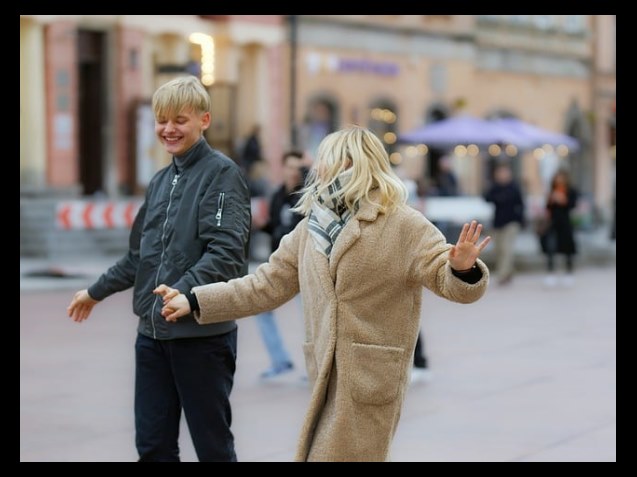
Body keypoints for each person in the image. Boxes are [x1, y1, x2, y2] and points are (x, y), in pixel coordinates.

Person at [155, 126, 490, 462]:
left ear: (348, 162)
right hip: (324, 376)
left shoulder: (403, 224)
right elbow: (264, 285)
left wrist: (461, 268)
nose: (315, 167)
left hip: (370, 380)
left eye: (324, 158)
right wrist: (196, 299)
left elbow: (448, 281)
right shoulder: (311, 227)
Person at [66, 75, 252, 462]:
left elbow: (227, 253)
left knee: (212, 447)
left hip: (201, 338)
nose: (168, 129)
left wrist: (184, 291)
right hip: (151, 337)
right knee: (152, 446)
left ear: (204, 120)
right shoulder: (160, 181)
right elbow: (139, 257)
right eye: (162, 120)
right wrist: (94, 292)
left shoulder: (222, 174)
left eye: (179, 120)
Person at [256, 150, 307, 379]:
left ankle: (314, 367)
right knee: (262, 309)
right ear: (283, 168)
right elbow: (277, 227)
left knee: (310, 316)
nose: (293, 171)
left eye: (298, 167)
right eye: (290, 166)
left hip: (302, 265)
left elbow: (303, 231)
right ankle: (279, 360)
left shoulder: (307, 196)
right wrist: (261, 226)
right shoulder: (277, 195)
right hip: (279, 265)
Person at [484, 163, 525, 285]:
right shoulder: (495, 187)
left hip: (511, 223)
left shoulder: (514, 187)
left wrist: (520, 220)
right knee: (498, 249)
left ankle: (502, 274)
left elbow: (521, 204)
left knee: (507, 249)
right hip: (498, 223)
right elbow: (486, 198)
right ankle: (509, 271)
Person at [541, 169, 578, 287]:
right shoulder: (552, 191)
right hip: (553, 224)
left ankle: (569, 272)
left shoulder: (570, 191)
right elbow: (547, 207)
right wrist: (551, 199)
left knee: (568, 248)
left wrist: (562, 200)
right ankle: (550, 273)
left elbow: (572, 205)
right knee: (550, 248)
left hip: (565, 224)